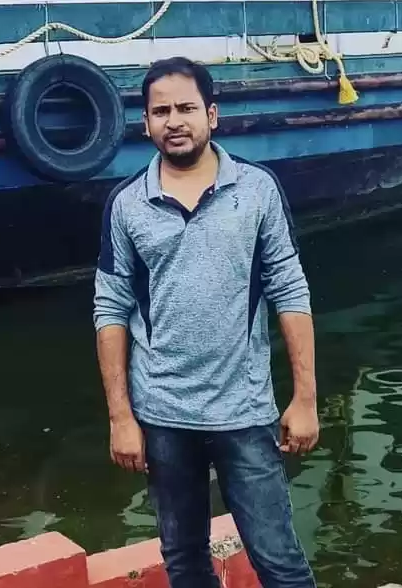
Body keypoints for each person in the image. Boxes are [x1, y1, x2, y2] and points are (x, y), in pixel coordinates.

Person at [94, 57, 317, 588]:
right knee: (185, 562)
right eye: (161, 111)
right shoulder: (127, 204)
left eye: (187, 108)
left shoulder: (257, 191)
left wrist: (305, 399)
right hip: (163, 415)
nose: (175, 120)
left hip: (244, 411)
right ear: (145, 123)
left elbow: (290, 290)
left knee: (279, 562)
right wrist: (121, 417)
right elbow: (110, 309)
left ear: (212, 115)